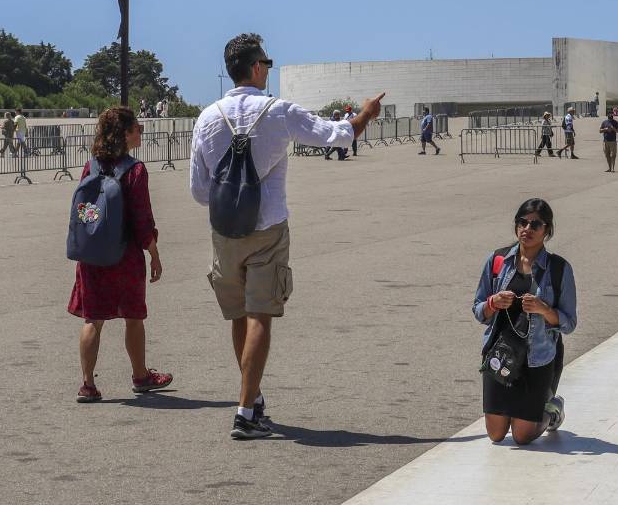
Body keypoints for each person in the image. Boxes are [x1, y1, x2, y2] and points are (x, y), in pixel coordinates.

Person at [190, 33, 384, 439]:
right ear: (257, 67)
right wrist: (365, 114)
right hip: (268, 227)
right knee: (261, 314)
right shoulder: (278, 112)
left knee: (239, 315)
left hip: (224, 232)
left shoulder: (207, 118)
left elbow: (198, 190)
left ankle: (252, 397)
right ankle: (245, 412)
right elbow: (336, 134)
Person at [69, 107, 171, 403]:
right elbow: (142, 219)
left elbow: (85, 210)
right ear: (125, 134)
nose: (141, 131)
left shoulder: (91, 167)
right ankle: (140, 375)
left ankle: (87, 384)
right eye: (137, 127)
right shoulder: (135, 170)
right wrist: (154, 253)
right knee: (133, 317)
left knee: (93, 319)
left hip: (92, 256)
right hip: (124, 256)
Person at [473, 198, 577, 445]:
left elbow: (569, 323)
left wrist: (544, 309)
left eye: (535, 225)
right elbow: (478, 311)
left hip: (537, 358)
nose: (527, 229)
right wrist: (493, 302)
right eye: (522, 222)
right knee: (496, 435)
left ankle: (551, 412)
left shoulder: (559, 268)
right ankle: (519, 410)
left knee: (522, 437)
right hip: (500, 353)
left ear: (547, 231)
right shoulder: (498, 261)